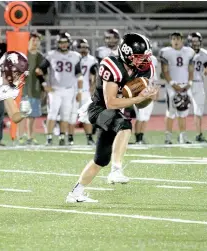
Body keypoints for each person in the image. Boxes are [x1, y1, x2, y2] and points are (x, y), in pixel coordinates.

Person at [66, 33, 159, 203]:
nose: (143, 61)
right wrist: (138, 98)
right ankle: (116, 170)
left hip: (115, 112)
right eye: (139, 57)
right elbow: (110, 102)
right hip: (98, 109)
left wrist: (148, 97)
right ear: (126, 53)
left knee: (101, 159)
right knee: (124, 126)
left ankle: (75, 193)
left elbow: (140, 106)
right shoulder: (112, 64)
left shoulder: (144, 69)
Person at [36, 32, 83, 146]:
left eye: (65, 42)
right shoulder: (51, 55)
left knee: (65, 115)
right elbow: (38, 71)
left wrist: (79, 91)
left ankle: (62, 137)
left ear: (69, 43)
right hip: (55, 90)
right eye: (61, 42)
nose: (63, 45)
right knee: (52, 114)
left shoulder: (75, 56)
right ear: (57, 43)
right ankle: (49, 137)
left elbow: (79, 75)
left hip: (69, 90)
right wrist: (44, 85)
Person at [159, 32, 195, 144]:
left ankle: (182, 137)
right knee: (171, 112)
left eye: (178, 38)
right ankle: (168, 137)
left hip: (185, 85)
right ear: (171, 40)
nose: (176, 40)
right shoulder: (166, 52)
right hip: (172, 87)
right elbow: (165, 71)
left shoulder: (189, 51)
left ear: (182, 40)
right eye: (173, 38)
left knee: (183, 112)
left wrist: (189, 82)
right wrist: (174, 84)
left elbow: (190, 69)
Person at [0, 51, 32, 126]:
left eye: (21, 75)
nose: (19, 78)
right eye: (18, 74)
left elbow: (14, 116)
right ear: (8, 68)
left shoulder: (9, 89)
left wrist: (23, 113)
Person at [68, 38, 98, 145]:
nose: (85, 49)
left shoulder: (91, 60)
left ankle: (89, 138)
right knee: (71, 116)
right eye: (82, 47)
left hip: (85, 91)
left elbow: (94, 76)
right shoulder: (70, 58)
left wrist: (93, 88)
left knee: (87, 116)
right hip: (71, 90)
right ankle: (70, 138)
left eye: (86, 47)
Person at [18, 32, 45, 145]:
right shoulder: (23, 54)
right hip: (24, 89)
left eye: (37, 40)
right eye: (33, 40)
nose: (35, 42)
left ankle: (30, 136)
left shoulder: (40, 56)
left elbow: (44, 73)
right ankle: (20, 136)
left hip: (35, 89)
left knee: (32, 115)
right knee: (23, 114)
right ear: (28, 41)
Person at [134, 54, 158, 144]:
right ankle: (138, 139)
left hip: (150, 92)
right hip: (140, 93)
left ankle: (141, 137)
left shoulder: (152, 66)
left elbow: (154, 79)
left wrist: (155, 91)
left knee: (146, 117)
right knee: (140, 117)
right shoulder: (137, 64)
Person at [187, 32, 207, 142]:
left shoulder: (204, 54)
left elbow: (206, 70)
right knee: (180, 109)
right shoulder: (184, 53)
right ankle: (180, 134)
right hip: (185, 84)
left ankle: (199, 134)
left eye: (197, 40)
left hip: (198, 83)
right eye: (193, 41)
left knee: (198, 110)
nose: (195, 43)